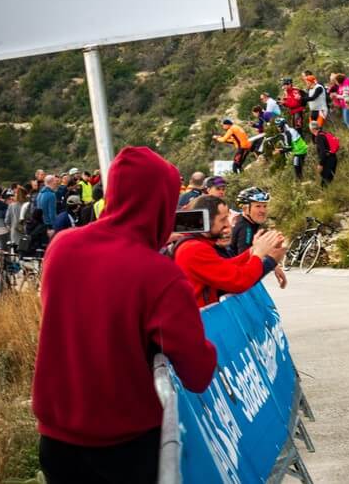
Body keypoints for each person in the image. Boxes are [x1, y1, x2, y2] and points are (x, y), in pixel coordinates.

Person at [33, 147, 217, 483]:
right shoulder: (161, 275)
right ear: (162, 204)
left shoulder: (62, 246)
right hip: (126, 446)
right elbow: (197, 372)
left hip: (56, 442)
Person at [174, 194, 287, 307]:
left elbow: (226, 266)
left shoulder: (194, 244)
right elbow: (238, 281)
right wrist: (265, 258)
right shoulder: (193, 249)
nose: (228, 224)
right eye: (223, 219)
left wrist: (253, 250)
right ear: (205, 221)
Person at [230, 187, 271, 255]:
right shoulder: (246, 229)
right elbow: (245, 260)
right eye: (258, 206)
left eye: (265, 206)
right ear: (245, 209)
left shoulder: (246, 223)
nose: (263, 211)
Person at [310, 121, 339, 186]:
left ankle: (325, 194)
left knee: (324, 182)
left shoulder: (319, 137)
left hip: (327, 160)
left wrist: (320, 164)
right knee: (329, 180)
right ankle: (329, 194)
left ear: (312, 129)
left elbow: (323, 152)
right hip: (333, 158)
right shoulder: (324, 133)